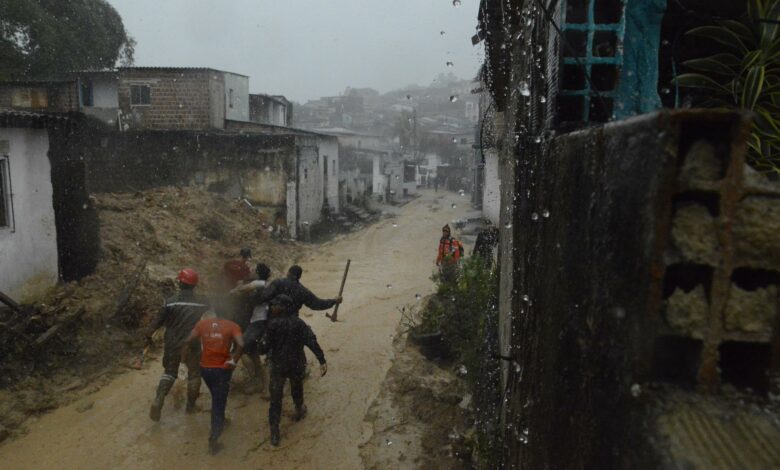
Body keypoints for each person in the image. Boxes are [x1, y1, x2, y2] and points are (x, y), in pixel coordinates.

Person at [257, 295, 327, 447]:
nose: (272, 307)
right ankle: (299, 411)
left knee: (276, 399)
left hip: (278, 366)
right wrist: (321, 360)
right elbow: (311, 341)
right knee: (297, 388)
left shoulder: (272, 325)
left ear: (283, 306)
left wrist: (259, 344)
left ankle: (275, 432)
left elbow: (263, 348)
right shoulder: (299, 323)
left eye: (275, 305)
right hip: (296, 364)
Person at [181, 300, 244, 454]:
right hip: (222, 369)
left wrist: (183, 363)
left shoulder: (203, 324)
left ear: (215, 311)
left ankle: (221, 419)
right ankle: (214, 439)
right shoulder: (233, 326)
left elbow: (187, 341)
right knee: (218, 402)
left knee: (216, 396)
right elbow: (241, 344)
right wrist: (233, 361)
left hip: (205, 369)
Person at [146, 268, 209, 421]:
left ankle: (158, 400)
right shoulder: (202, 302)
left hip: (173, 342)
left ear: (180, 283)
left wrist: (147, 337)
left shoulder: (169, 302)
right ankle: (190, 407)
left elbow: (157, 323)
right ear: (194, 285)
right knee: (194, 374)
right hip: (192, 342)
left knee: (170, 371)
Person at [230, 263, 272, 390]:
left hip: (258, 322)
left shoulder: (259, 284)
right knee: (252, 352)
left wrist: (237, 288)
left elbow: (242, 290)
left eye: (254, 270)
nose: (251, 271)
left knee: (241, 347)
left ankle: (260, 384)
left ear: (258, 273)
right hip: (258, 321)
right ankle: (259, 381)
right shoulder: (266, 285)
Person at [255, 265, 342, 317]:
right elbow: (317, 304)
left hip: (274, 318)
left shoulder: (278, 282)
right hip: (293, 320)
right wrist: (334, 301)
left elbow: (264, 297)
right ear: (299, 276)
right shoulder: (303, 291)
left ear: (288, 273)